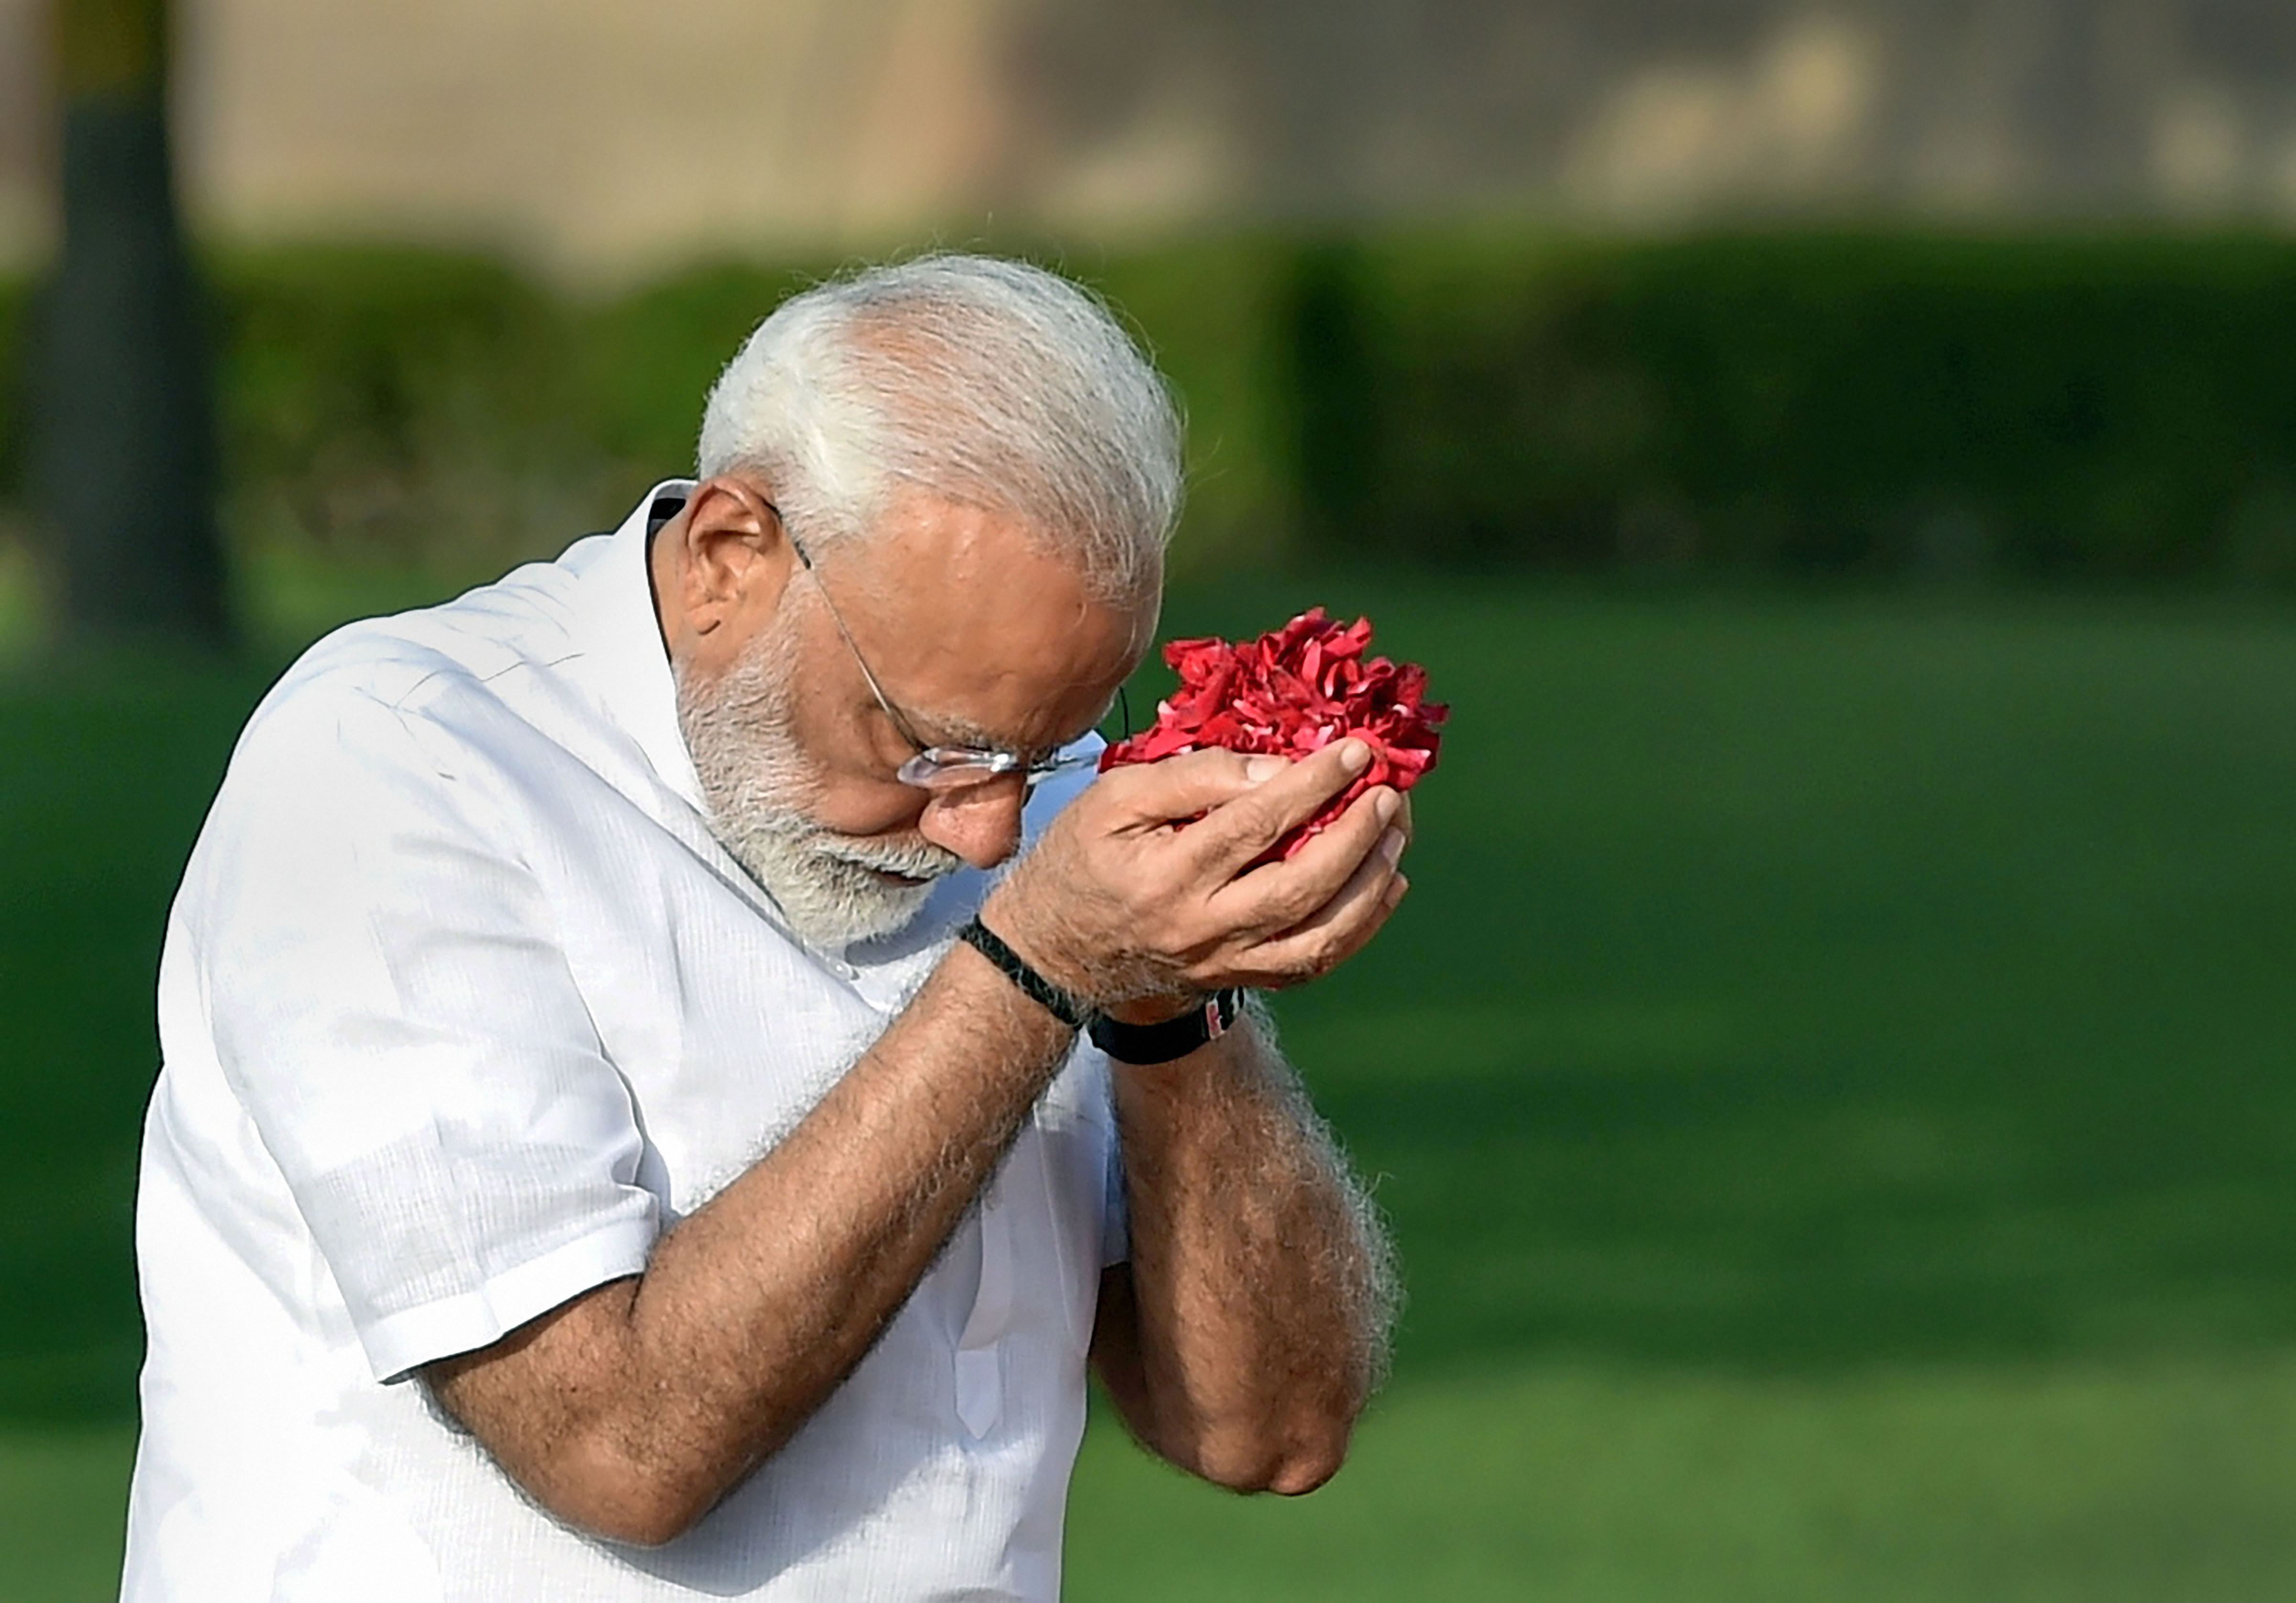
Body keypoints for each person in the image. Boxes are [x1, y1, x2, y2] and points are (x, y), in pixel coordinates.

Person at [121, 254, 1408, 1601]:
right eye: (925, 745)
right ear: (735, 549)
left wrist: (1172, 999)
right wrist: (1041, 962)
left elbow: (1272, 1432)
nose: (985, 829)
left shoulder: (1025, 792)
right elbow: (620, 1449)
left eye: (1046, 750)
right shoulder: (396, 764)